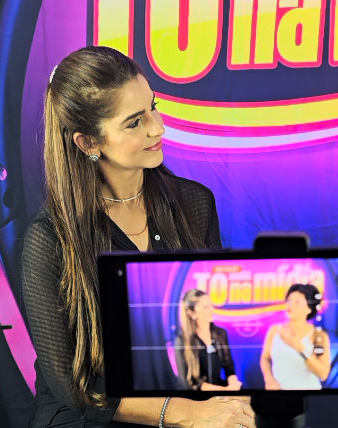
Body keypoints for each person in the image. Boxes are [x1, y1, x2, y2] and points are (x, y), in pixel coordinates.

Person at [21, 46, 255, 428]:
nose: (158, 128)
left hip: (187, 403)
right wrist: (183, 414)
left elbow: (209, 333)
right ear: (88, 143)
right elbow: (74, 388)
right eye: (134, 122)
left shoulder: (195, 203)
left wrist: (229, 401)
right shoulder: (48, 239)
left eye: (153, 107)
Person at [260, 284, 331, 390]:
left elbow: (323, 374)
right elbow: (265, 359)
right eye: (289, 300)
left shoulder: (318, 335)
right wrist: (269, 379)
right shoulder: (275, 330)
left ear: (309, 309)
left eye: (297, 302)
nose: (290, 305)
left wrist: (301, 349)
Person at [175, 289, 242, 391]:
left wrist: (233, 385)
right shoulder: (182, 341)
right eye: (206, 307)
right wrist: (224, 390)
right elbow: (190, 382)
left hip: (220, 389)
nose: (212, 311)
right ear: (192, 313)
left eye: (211, 306)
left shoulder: (220, 334)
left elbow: (229, 368)